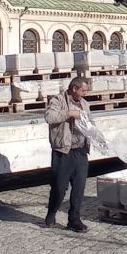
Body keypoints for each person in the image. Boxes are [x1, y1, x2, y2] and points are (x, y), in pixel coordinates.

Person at [44, 77, 93, 232]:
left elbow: (90, 123)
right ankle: (52, 212)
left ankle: (74, 220)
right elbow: (49, 117)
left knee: (79, 188)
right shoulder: (58, 100)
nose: (85, 94)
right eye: (83, 90)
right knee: (59, 188)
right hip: (63, 151)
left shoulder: (85, 104)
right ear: (74, 88)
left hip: (81, 151)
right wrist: (70, 113)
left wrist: (96, 136)